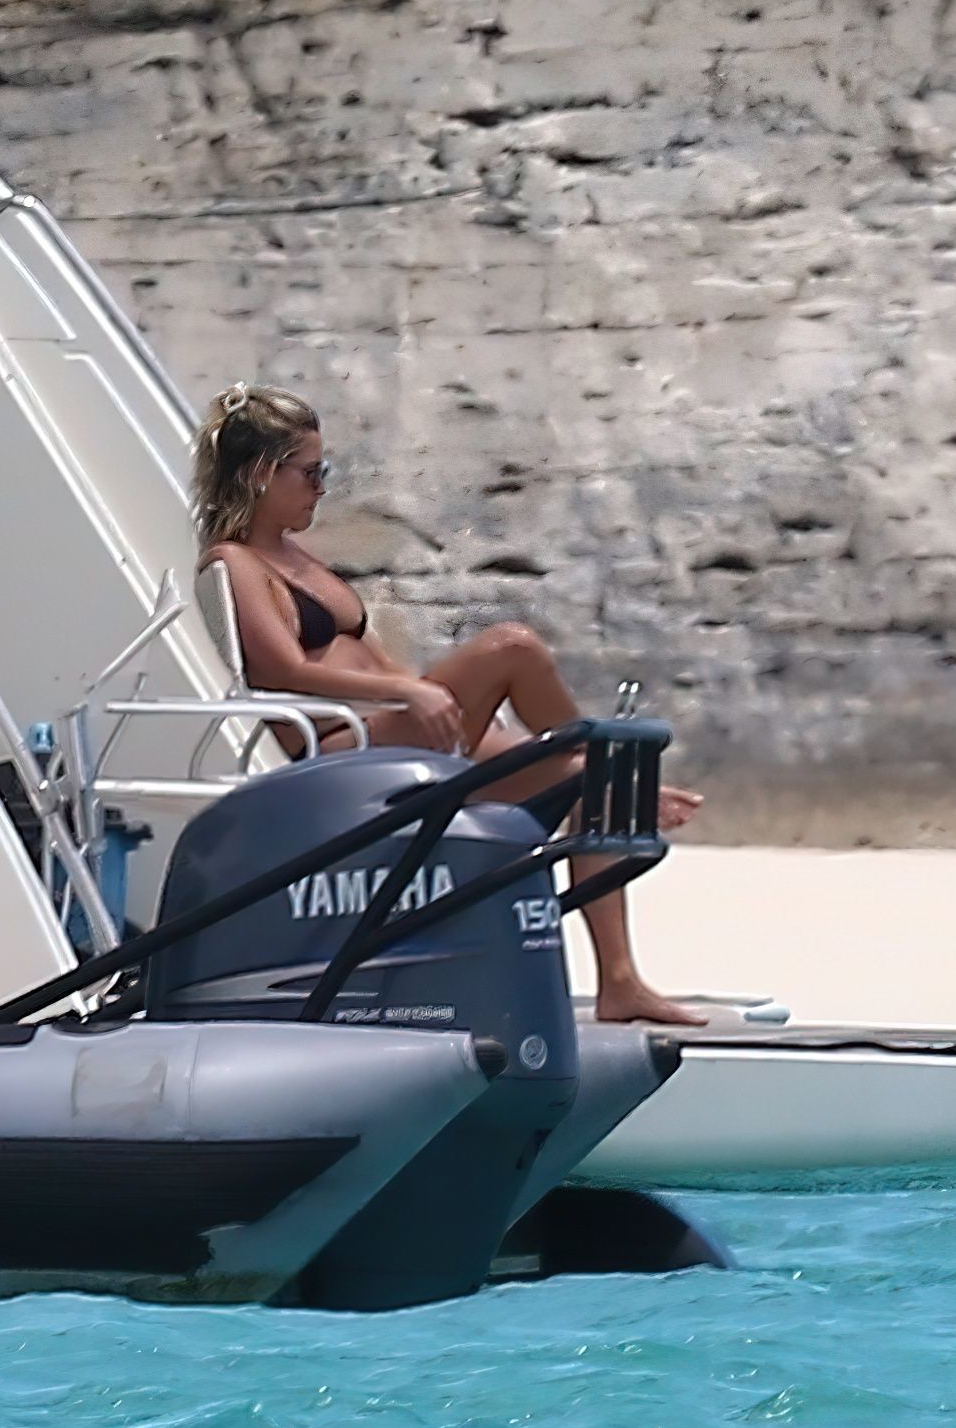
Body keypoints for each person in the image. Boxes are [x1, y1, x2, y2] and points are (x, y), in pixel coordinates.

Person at [190, 380, 707, 1025]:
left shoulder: (298, 559)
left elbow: (378, 662)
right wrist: (408, 691)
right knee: (512, 647)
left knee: (585, 780)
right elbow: (282, 670)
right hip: (345, 749)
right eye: (311, 472)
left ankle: (620, 982)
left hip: (388, 726)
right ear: (262, 474)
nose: (322, 487)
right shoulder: (235, 563)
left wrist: (411, 687)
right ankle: (617, 771)